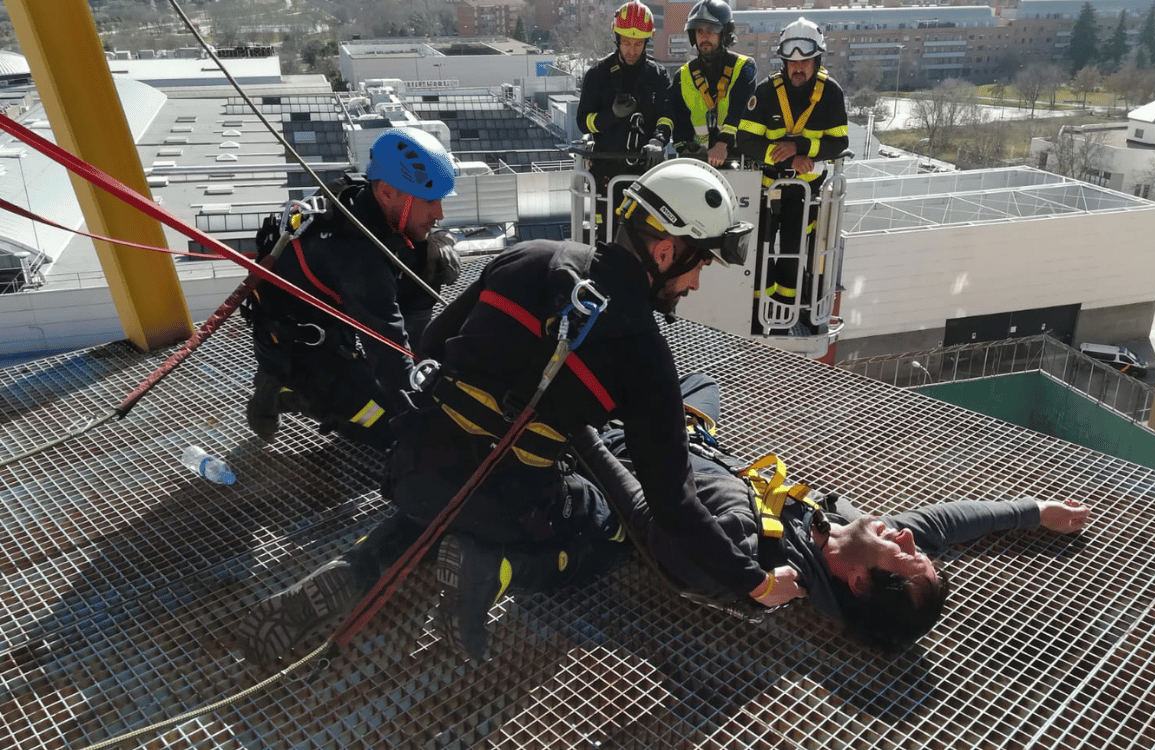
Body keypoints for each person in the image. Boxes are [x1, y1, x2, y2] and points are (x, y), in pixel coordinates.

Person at [237, 159, 763, 667]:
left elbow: (434, 344)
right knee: (608, 524)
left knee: (444, 497)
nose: (695, 284)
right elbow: (673, 504)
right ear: (667, 251)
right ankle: (494, 569)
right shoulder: (646, 355)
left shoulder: (531, 255)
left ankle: (356, 566)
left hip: (416, 467)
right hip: (513, 500)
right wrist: (751, 580)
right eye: (699, 266)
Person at [573, 372, 1091, 650]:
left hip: (626, 447)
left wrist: (581, 431)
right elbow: (944, 524)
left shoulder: (757, 563)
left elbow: (643, 514)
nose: (908, 538)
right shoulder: (855, 533)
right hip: (692, 439)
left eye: (903, 554)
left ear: (859, 583)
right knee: (701, 383)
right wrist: (1034, 510)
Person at [243, 127, 460, 449]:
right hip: (301, 350)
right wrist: (423, 421)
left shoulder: (362, 200)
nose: (439, 214)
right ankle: (285, 392)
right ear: (387, 192)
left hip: (334, 320)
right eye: (429, 201)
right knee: (391, 428)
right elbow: (388, 352)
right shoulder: (356, 255)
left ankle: (289, 383)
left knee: (430, 257)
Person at [738, 18, 848, 335]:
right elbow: (745, 140)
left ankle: (785, 317)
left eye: (805, 61)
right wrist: (777, 152)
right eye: (793, 62)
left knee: (792, 252)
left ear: (817, 60)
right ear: (784, 62)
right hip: (765, 187)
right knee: (759, 252)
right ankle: (758, 318)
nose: (798, 68)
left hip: (805, 189)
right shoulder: (766, 92)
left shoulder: (831, 95)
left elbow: (839, 142)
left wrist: (801, 150)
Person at [576, 2, 673, 233]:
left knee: (644, 237)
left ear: (646, 42)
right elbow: (583, 121)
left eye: (638, 43)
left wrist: (658, 141)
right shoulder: (598, 75)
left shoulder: (658, 77)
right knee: (607, 236)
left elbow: (666, 117)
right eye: (627, 43)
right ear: (617, 39)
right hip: (607, 174)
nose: (631, 50)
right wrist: (611, 116)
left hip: (645, 174)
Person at [669, 0, 757, 167]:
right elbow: (679, 122)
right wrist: (685, 148)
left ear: (724, 33)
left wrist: (722, 144)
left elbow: (739, 107)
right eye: (699, 30)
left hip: (736, 160)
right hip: (697, 162)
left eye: (711, 30)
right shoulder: (683, 75)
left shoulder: (746, 67)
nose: (704, 36)